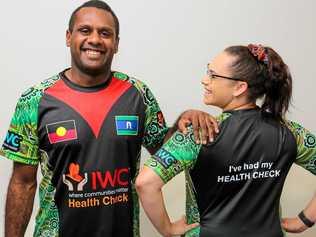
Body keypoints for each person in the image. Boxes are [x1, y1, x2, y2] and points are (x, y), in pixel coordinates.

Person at [0, 1, 218, 236]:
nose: (95, 39)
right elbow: (23, 183)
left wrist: (186, 119)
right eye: (85, 30)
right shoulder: (35, 100)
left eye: (105, 33)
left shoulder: (137, 93)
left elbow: (161, 148)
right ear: (68, 37)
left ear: (115, 44)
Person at [136, 44, 316, 237]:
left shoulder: (200, 134)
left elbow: (145, 183)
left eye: (213, 75)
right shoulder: (289, 132)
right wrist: (305, 220)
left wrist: (168, 229)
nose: (205, 80)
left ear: (240, 87)